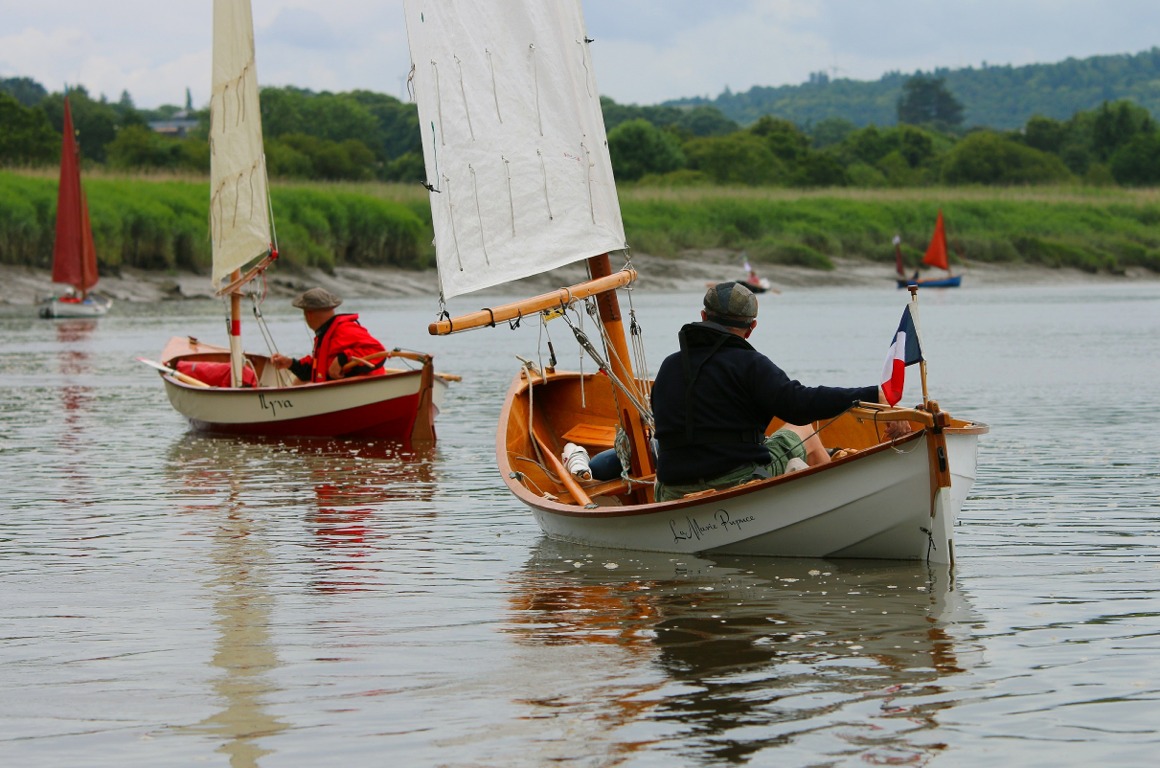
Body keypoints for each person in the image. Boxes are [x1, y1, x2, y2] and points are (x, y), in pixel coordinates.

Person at [650, 282, 891, 502]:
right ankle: (836, 503)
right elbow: (798, 405)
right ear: (751, 327)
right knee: (803, 428)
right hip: (734, 482)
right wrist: (872, 394)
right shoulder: (750, 364)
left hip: (672, 489)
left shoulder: (669, 365)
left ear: (703, 316)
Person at [270, 287, 387, 383]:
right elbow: (314, 369)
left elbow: (378, 352)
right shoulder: (326, 334)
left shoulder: (344, 329)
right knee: (298, 381)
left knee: (299, 384)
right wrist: (290, 363)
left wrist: (342, 359)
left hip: (365, 389)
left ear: (308, 314)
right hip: (344, 397)